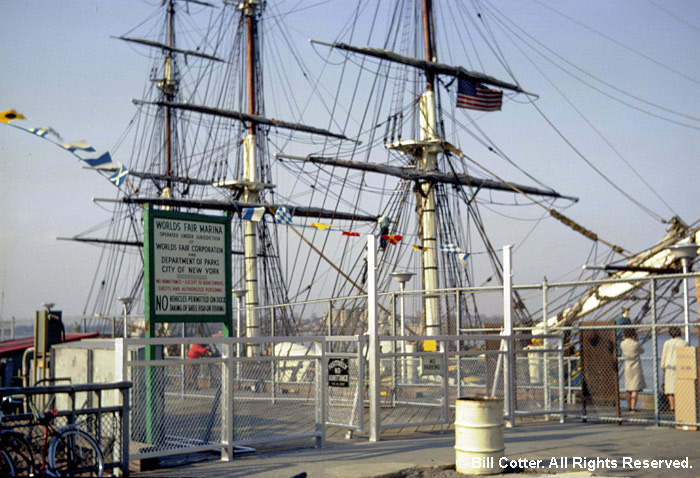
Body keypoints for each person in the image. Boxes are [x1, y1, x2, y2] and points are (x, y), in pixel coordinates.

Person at [661, 327, 688, 411]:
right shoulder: (683, 343)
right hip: (680, 366)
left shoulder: (667, 343)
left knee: (669, 388)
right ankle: (679, 406)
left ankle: (672, 406)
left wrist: (663, 366)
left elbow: (664, 355)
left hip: (669, 366)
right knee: (679, 387)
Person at [620, 329, 645, 412]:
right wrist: (636, 340)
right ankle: (633, 407)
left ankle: (628, 406)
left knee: (628, 388)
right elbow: (642, 351)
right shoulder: (635, 344)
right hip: (636, 367)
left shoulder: (622, 344)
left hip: (627, 366)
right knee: (635, 388)